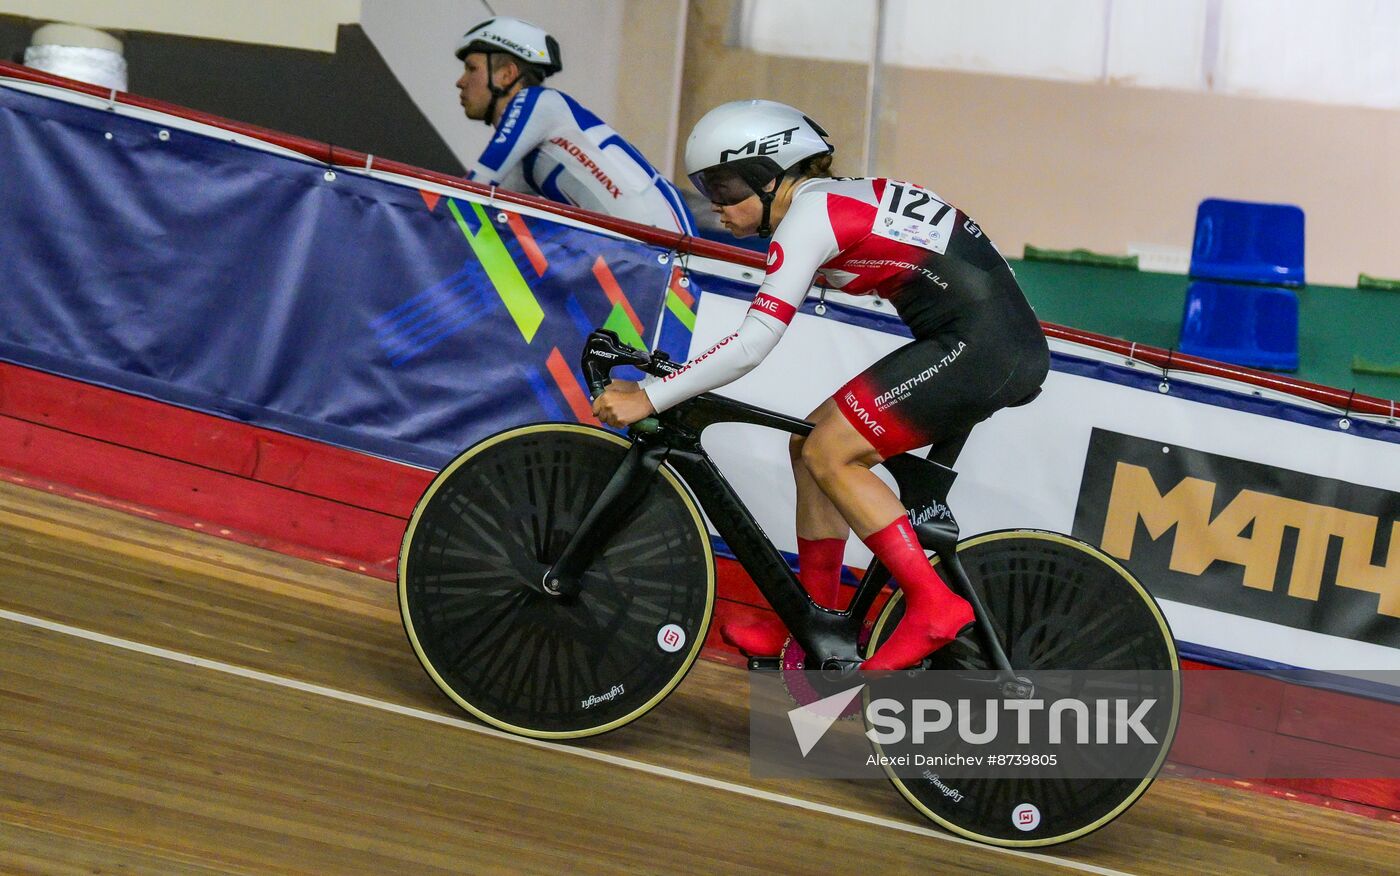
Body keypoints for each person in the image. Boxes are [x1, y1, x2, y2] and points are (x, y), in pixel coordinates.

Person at [592, 99, 1050, 670]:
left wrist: (651, 396)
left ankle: (933, 607)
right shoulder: (827, 202)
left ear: (771, 176)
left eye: (726, 185)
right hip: (982, 342)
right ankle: (816, 627)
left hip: (983, 349)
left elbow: (753, 342)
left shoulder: (811, 216)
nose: (716, 205)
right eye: (706, 186)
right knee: (808, 444)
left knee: (832, 453)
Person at [453, 16, 696, 234]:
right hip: (643, 250)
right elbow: (482, 221)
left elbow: (473, 186)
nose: (460, 82)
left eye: (471, 68)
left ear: (507, 74)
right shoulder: (524, 158)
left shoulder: (537, 102)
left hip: (662, 240)